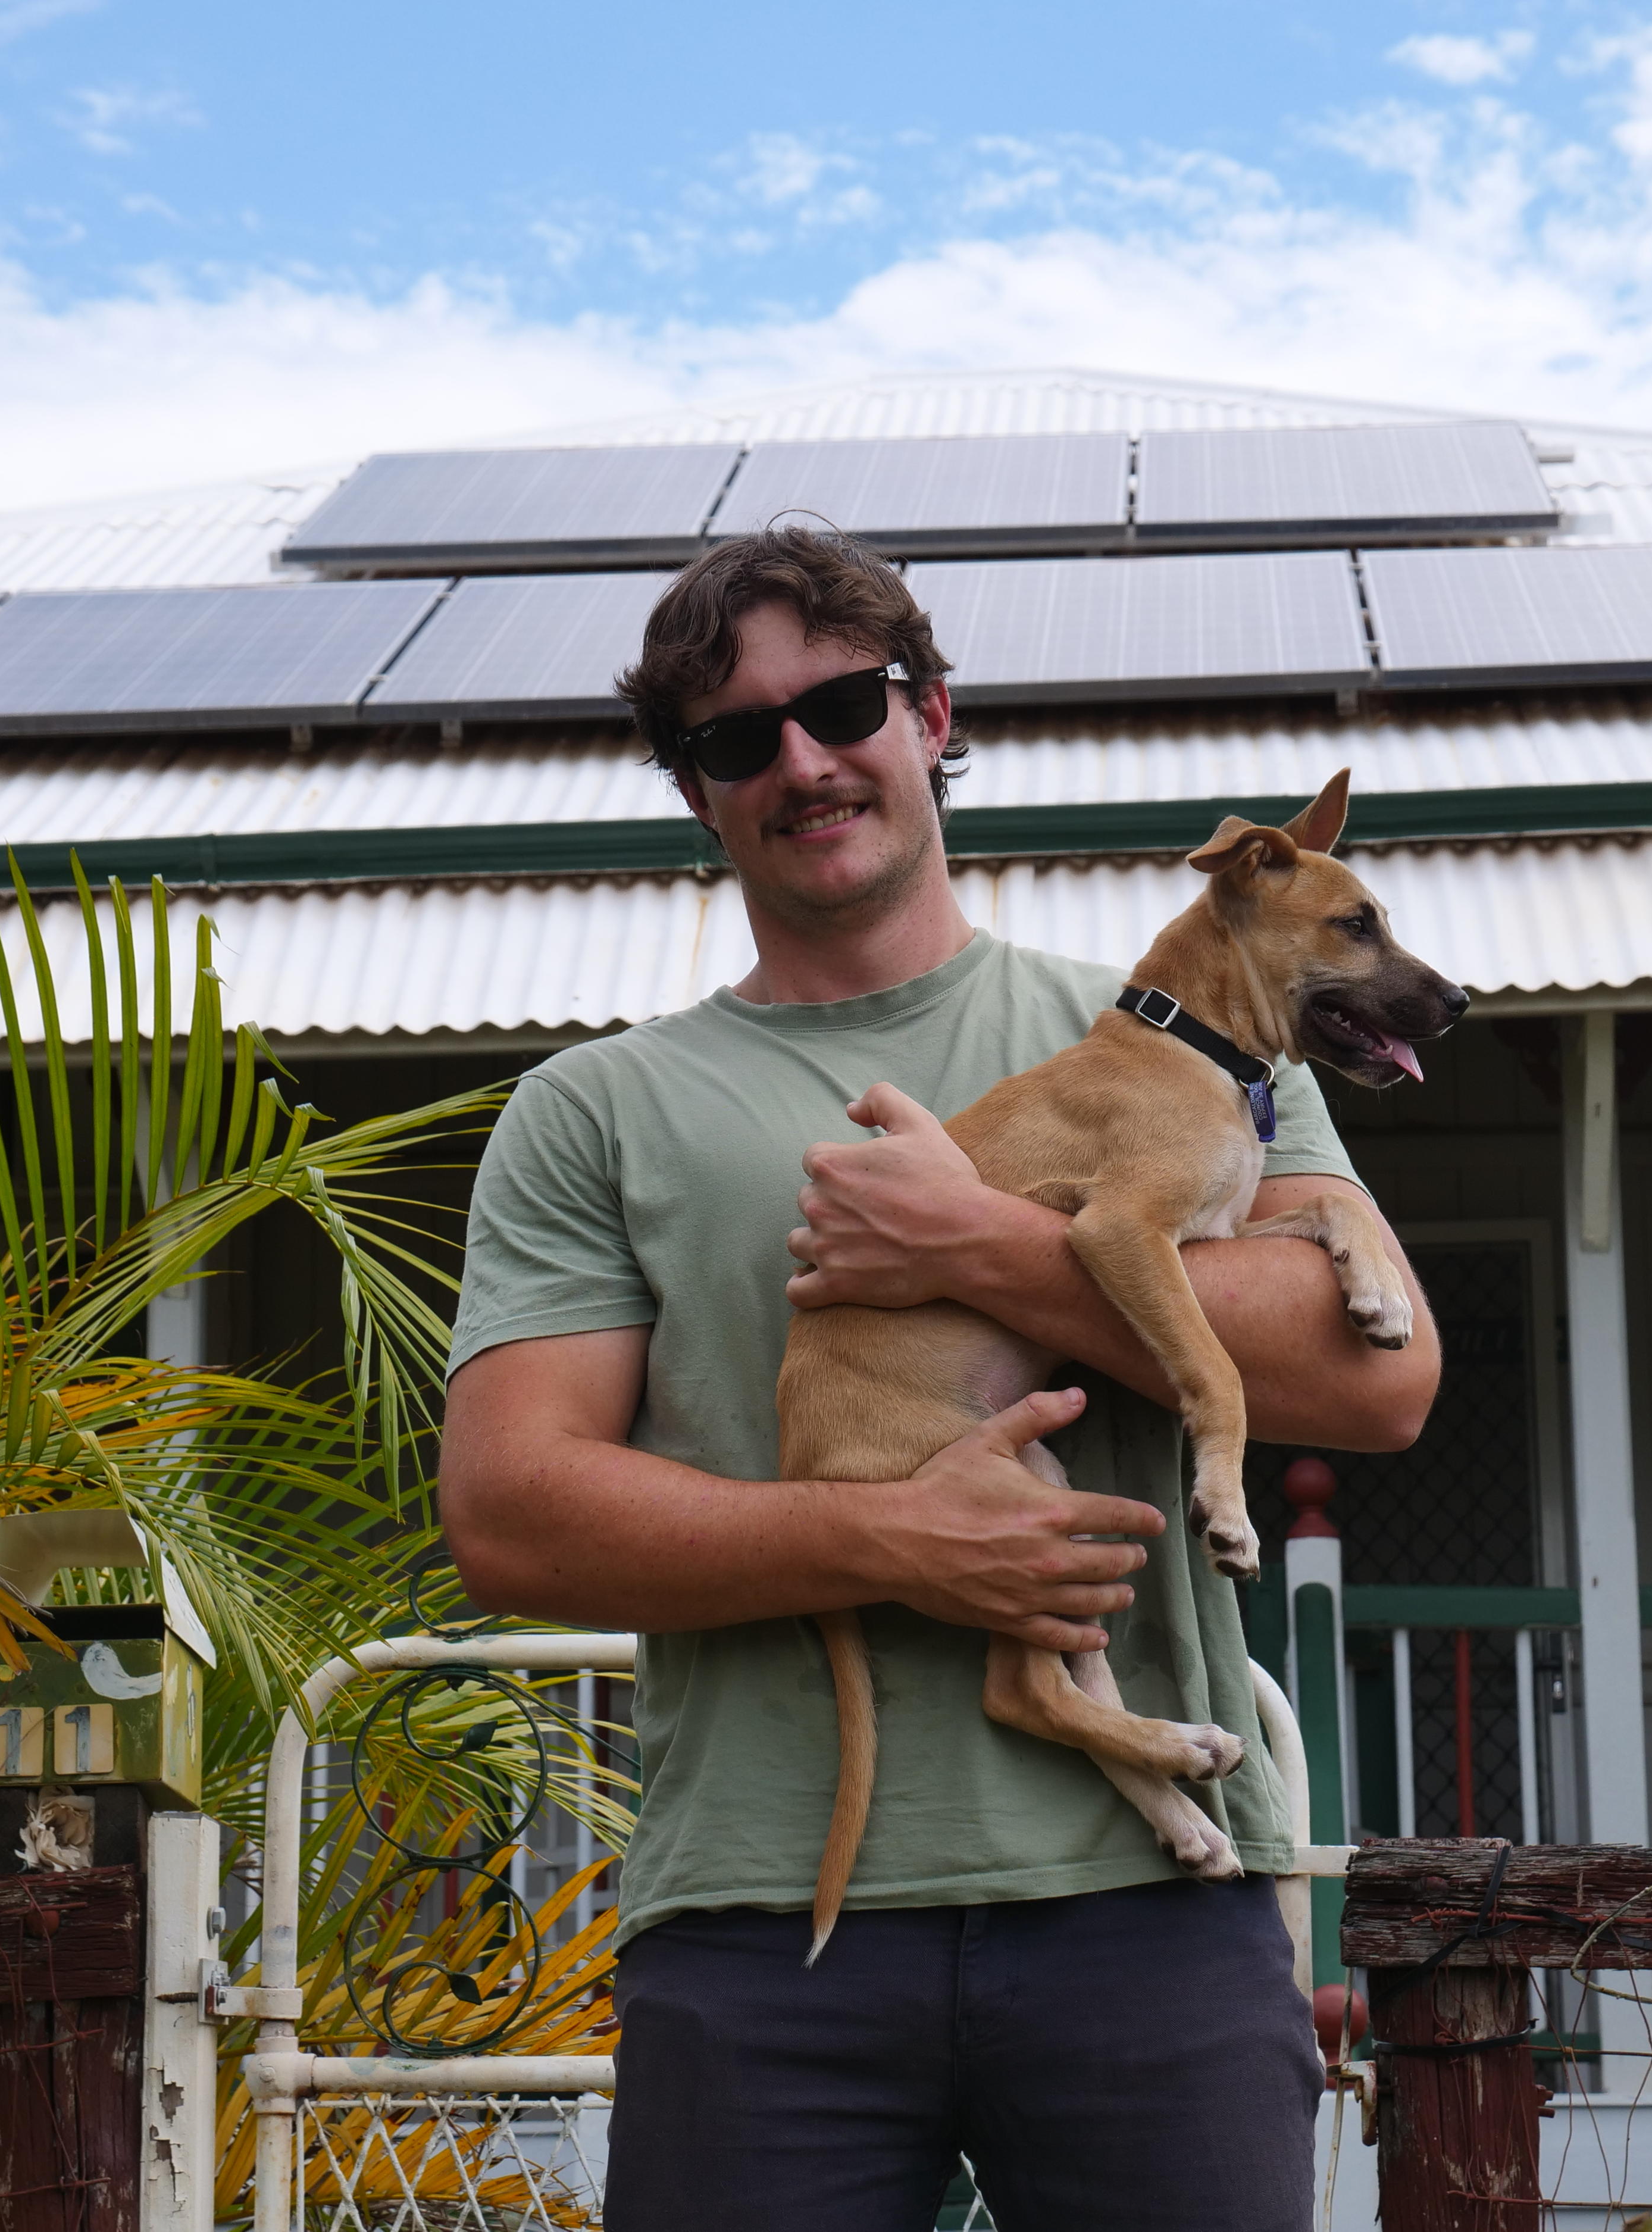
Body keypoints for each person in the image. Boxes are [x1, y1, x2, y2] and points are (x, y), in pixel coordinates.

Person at [436, 524, 1441, 2231]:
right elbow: (516, 1520)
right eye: (738, 738)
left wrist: (978, 1246)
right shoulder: (596, 1110)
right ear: (696, 790)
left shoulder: (1184, 1022)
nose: (805, 762)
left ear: (931, 711)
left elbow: (1375, 1375)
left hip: (1149, 1898)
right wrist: (897, 1543)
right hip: (766, 1923)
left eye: (841, 704)